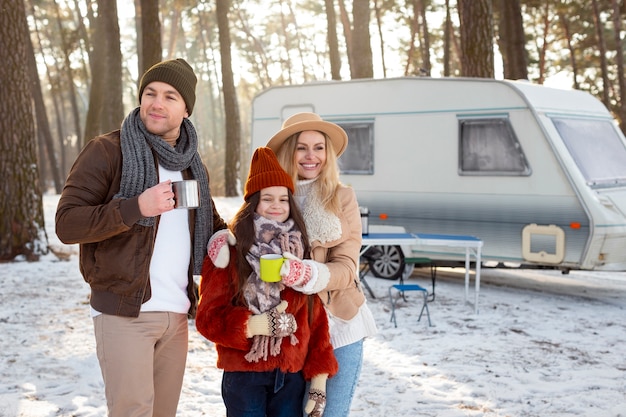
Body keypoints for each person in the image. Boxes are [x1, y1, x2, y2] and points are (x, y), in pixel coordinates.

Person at [55, 58, 227, 417]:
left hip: (177, 313)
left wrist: (240, 237)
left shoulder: (192, 163)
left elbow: (210, 225)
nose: (157, 103)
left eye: (170, 96)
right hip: (124, 311)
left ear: (186, 108)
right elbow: (67, 223)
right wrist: (136, 207)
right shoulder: (107, 151)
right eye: (150, 93)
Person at [196, 147, 338, 417]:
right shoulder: (233, 250)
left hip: (290, 375)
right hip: (243, 374)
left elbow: (315, 317)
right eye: (267, 198)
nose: (276, 205)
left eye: (283, 199)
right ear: (253, 203)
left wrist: (318, 380)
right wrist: (253, 325)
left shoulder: (299, 250)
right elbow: (207, 318)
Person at [267, 112, 378, 417]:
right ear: (289, 152)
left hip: (338, 325)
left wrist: (308, 273)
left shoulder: (342, 197)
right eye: (302, 147)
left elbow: (346, 268)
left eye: (319, 147)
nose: (310, 156)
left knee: (326, 414)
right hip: (290, 329)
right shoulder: (272, 197)